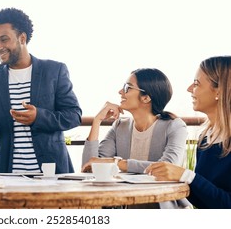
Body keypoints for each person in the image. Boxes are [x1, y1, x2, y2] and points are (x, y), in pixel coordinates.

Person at [0, 7, 82, 174]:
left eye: (4, 40)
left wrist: (39, 116)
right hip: (7, 175)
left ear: (22, 38)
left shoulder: (54, 70)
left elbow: (74, 115)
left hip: (50, 174)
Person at [81, 68, 190, 208]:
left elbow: (166, 168)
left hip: (160, 207)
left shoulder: (175, 126)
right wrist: (97, 121)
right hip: (125, 205)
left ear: (146, 97)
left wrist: (116, 163)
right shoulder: (120, 125)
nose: (120, 92)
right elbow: (89, 167)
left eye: (127, 87)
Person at [146, 56, 231, 209]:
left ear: (219, 91)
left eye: (197, 83)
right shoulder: (206, 138)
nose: (189, 88)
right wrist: (175, 177)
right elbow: (204, 200)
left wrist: (187, 176)